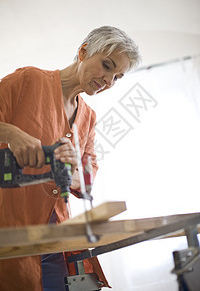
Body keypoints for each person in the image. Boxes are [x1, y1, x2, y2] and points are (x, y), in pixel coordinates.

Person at [0, 26, 140, 291]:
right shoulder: (28, 80)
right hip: (11, 228)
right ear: (83, 51)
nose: (108, 80)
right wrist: (12, 133)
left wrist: (72, 166)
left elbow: (86, 177)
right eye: (106, 66)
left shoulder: (88, 117)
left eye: (117, 77)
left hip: (58, 238)